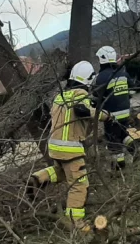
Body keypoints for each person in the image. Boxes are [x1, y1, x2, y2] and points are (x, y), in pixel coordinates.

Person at [29, 61, 111, 230]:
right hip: (70, 149)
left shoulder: (60, 96)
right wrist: (105, 115)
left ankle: (38, 178)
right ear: (88, 79)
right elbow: (82, 111)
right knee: (80, 184)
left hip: (55, 147)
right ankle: (75, 222)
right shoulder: (80, 94)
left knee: (62, 172)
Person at [91, 45, 136, 169]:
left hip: (112, 115)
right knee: (122, 134)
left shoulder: (101, 77)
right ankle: (136, 150)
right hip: (125, 112)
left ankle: (119, 166)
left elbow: (96, 98)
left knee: (113, 141)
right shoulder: (122, 72)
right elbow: (132, 90)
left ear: (102, 59)